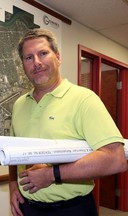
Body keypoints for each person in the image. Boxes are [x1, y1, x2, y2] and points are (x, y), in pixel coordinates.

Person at [9, 28, 127, 216]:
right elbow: (13, 151)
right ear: (23, 65)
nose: (37, 63)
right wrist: (13, 185)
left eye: (43, 53)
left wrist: (51, 175)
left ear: (58, 57)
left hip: (72, 209)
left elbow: (115, 159)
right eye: (28, 58)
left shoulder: (84, 99)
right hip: (28, 208)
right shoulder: (19, 105)